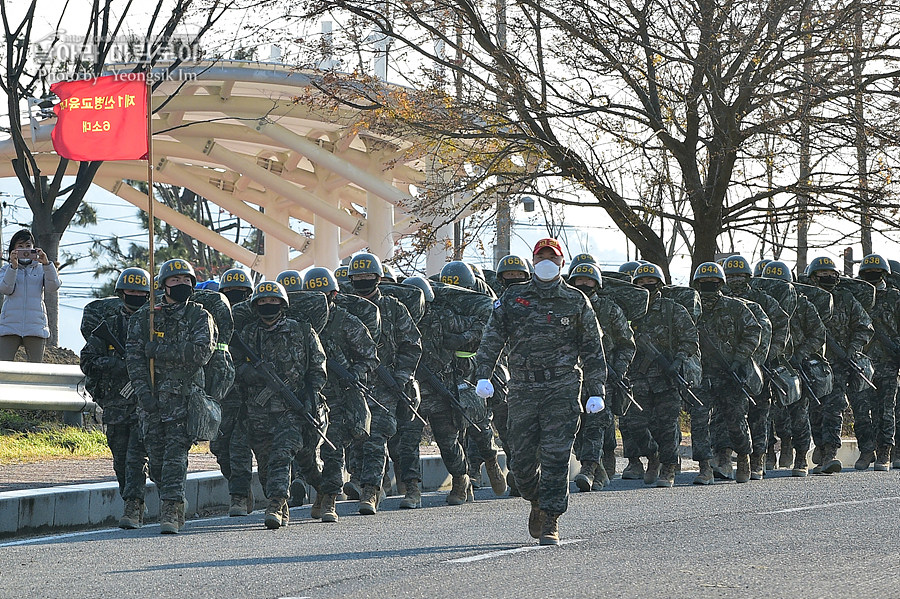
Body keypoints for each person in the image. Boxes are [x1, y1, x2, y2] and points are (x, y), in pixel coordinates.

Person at [474, 238, 607, 545]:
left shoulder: (575, 301)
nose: (546, 261)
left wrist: (595, 389)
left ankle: (550, 517)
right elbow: (492, 339)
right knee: (520, 462)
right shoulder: (513, 297)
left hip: (562, 386)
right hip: (522, 386)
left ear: (562, 263)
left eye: (552, 256)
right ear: (533, 261)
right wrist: (483, 375)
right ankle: (535, 498)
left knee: (556, 457)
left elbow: (593, 350)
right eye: (541, 256)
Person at [125, 259, 216, 534]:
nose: (182, 285)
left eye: (187, 281)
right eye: (176, 281)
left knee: (175, 457)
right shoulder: (145, 317)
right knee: (157, 461)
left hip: (184, 400)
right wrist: (143, 394)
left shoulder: (200, 316)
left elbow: (202, 353)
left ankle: (170, 512)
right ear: (164, 285)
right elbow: (134, 358)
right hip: (151, 401)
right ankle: (175, 502)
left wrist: (161, 350)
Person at [235, 280, 327, 529]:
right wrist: (248, 372)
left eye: (273, 301)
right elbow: (232, 366)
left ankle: (276, 504)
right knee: (265, 465)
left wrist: (310, 398)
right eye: (263, 302)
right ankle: (319, 488)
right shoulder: (247, 335)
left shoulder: (302, 331)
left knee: (282, 455)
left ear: (282, 304)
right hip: (258, 411)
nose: (268, 305)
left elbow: (318, 368)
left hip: (293, 410)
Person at [347, 252, 422, 515]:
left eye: (368, 276)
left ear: (379, 278)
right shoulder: (345, 307)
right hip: (354, 382)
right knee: (357, 437)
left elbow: (412, 345)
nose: (363, 281)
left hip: (386, 384)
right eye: (357, 277)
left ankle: (373, 491)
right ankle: (361, 480)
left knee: (377, 436)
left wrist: (401, 377)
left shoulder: (394, 308)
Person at [407, 275, 491, 505]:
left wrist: (462, 339)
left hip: (441, 389)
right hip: (410, 391)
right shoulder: (399, 320)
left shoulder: (443, 318)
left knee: (448, 442)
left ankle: (460, 479)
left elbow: (481, 327)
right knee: (407, 441)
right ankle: (412, 489)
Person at [303, 267, 379, 521]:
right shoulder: (299, 324)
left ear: (334, 294)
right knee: (304, 450)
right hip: (308, 393)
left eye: (323, 294)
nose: (318, 300)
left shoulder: (346, 322)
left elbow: (369, 356)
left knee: (332, 448)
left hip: (337, 395)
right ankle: (319, 489)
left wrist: (353, 373)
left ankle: (330, 499)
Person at [80, 267, 151, 528]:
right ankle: (131, 499)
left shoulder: (152, 325)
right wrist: (116, 364)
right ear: (121, 293)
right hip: (115, 403)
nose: (135, 296)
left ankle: (133, 506)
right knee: (120, 457)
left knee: (136, 456)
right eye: (130, 291)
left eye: (141, 293)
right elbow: (87, 359)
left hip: (146, 403)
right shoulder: (108, 327)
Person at [626, 262, 700, 485]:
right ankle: (652, 455)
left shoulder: (672, 309)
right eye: (641, 283)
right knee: (635, 424)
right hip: (637, 378)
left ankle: (668, 467)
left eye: (650, 282)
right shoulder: (631, 312)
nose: (646, 286)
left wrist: (676, 361)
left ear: (659, 284)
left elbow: (690, 339)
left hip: (666, 378)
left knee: (667, 427)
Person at [568, 262, 636, 489]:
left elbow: (627, 344)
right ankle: (599, 469)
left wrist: (618, 369)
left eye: (588, 280)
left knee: (596, 423)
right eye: (579, 280)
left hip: (604, 377)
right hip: (573, 377)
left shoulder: (610, 309)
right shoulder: (567, 307)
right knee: (575, 426)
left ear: (596, 283)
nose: (583, 284)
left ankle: (588, 469)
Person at [692, 261, 761, 484]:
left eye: (713, 281)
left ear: (721, 283)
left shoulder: (736, 307)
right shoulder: (691, 308)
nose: (708, 285)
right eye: (703, 282)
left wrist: (739, 358)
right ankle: (704, 466)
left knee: (735, 420)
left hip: (731, 374)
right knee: (699, 421)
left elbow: (754, 331)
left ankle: (743, 456)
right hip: (702, 374)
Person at [722, 255, 789, 479]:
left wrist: (769, 355)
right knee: (729, 414)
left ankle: (758, 457)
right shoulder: (719, 301)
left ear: (749, 277)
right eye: (730, 276)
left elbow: (780, 325)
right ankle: (726, 456)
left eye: (740, 275)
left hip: (760, 366)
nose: (735, 280)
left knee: (759, 413)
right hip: (728, 366)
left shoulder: (764, 300)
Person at [806, 256, 873, 474]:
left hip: (840, 364)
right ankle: (821, 445)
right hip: (812, 363)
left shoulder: (846, 298)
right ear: (813, 277)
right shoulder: (806, 299)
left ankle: (830, 454)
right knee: (815, 409)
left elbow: (865, 326)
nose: (828, 278)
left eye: (832, 275)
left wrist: (851, 350)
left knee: (834, 407)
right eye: (823, 275)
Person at [763, 260, 825, 476]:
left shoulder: (803, 305)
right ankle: (768, 451)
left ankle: (801, 456)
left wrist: (801, 354)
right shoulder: (760, 303)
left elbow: (818, 334)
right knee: (769, 413)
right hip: (768, 363)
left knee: (799, 413)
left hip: (796, 367)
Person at [213, 267, 256, 517]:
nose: (235, 296)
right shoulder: (214, 319)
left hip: (250, 393)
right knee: (220, 446)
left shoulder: (255, 320)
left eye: (240, 292)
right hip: (224, 393)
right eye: (229, 293)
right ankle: (240, 488)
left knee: (240, 446)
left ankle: (239, 496)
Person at [854, 255, 899, 471]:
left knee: (886, 409)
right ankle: (866, 451)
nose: (872, 276)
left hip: (888, 362)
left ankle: (885, 452)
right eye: (868, 273)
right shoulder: (856, 297)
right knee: (862, 410)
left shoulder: (894, 298)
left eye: (877, 272)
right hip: (862, 363)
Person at [0, 229, 60, 362]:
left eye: (28, 246)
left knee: (35, 369)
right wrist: (13, 267)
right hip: (9, 325)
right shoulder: (6, 269)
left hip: (35, 326)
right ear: (13, 250)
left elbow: (53, 287)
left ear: (34, 248)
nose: (25, 250)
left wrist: (46, 264)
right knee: (3, 368)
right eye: (20, 247)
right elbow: (6, 289)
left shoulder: (41, 268)